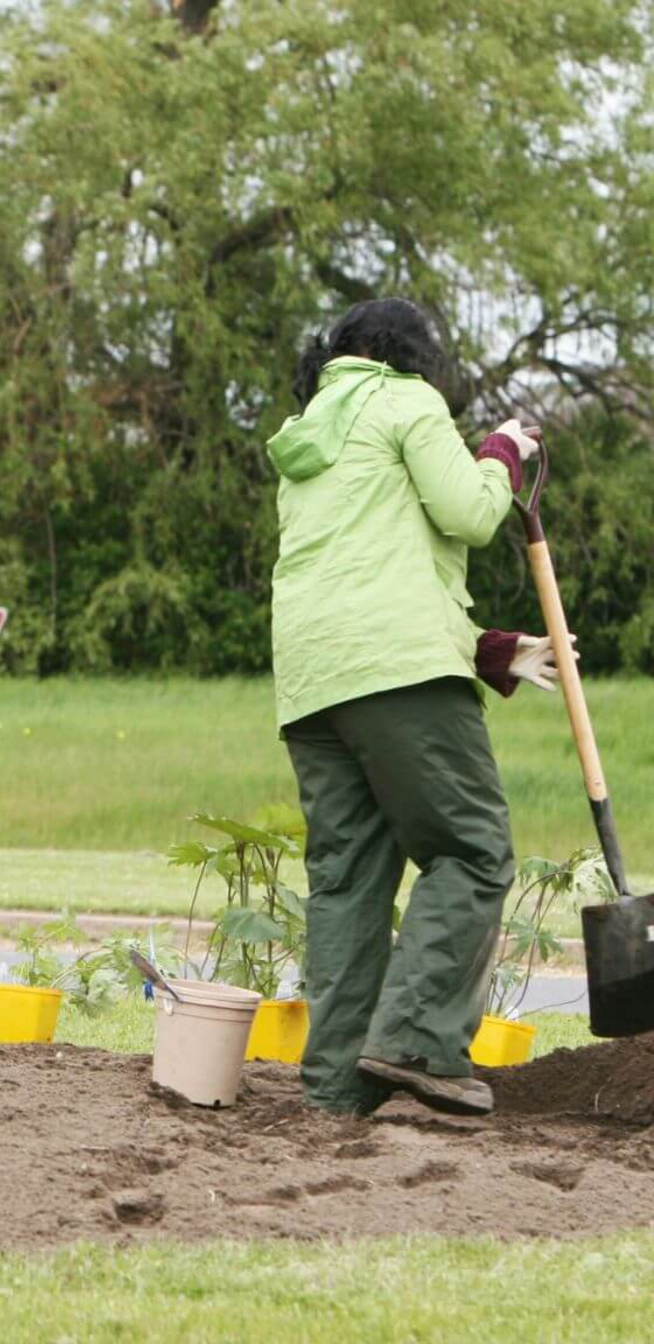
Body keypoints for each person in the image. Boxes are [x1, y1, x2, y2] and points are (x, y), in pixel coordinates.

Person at [266, 297, 559, 1116]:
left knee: (348, 882)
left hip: (313, 683)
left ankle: (337, 1091)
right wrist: (500, 451)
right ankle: (417, 1043)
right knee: (471, 850)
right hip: (400, 677)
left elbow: (370, 570)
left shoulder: (309, 436)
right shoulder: (407, 401)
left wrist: (488, 649)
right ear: (409, 354)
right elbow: (470, 514)